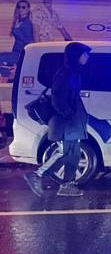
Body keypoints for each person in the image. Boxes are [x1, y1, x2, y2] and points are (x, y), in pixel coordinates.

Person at [24, 42, 91, 197]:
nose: (87, 57)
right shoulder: (65, 74)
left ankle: (67, 185)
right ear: (76, 56)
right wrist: (68, 114)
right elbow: (58, 98)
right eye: (84, 54)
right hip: (65, 123)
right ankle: (37, 174)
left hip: (73, 123)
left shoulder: (73, 73)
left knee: (73, 154)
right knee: (64, 153)